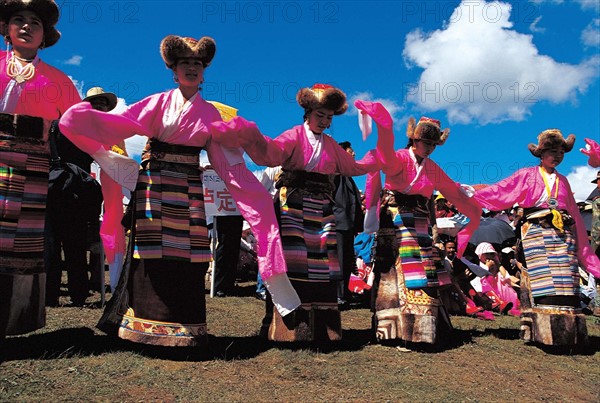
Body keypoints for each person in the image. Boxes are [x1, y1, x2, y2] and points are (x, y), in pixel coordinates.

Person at [59, 34, 300, 347]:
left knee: (189, 253)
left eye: (197, 64)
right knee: (152, 250)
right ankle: (143, 327)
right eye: (185, 63)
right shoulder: (157, 103)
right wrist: (82, 117)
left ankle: (187, 327)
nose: (191, 68)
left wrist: (254, 189)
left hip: (188, 189)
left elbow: (230, 167)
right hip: (154, 185)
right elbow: (117, 125)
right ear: (174, 71)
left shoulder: (212, 115)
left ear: (203, 73)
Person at [210, 84, 385, 342]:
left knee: (322, 266)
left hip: (323, 212)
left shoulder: (332, 146)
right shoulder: (293, 136)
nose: (324, 122)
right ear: (308, 114)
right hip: (294, 207)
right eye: (320, 116)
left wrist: (380, 156)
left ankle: (323, 331)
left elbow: (352, 167)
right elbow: (269, 153)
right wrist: (249, 134)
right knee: (294, 262)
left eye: (328, 117)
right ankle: (287, 330)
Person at [0, 0, 81, 337]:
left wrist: (111, 149)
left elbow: (81, 122)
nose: (26, 26)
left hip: (33, 165)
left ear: (44, 34)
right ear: (6, 28)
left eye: (35, 22)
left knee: (23, 241)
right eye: (18, 19)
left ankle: (15, 319)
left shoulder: (58, 79)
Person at [475, 129, 600, 346]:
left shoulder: (564, 181)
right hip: (537, 236)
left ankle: (568, 334)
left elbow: (574, 214)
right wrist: (468, 195)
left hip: (563, 239)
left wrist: (582, 245)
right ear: (541, 154)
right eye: (552, 151)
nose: (557, 156)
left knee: (567, 282)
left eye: (561, 152)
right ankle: (541, 332)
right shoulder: (527, 175)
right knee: (542, 282)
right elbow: (501, 191)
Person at [366, 112, 481, 345]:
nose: (428, 148)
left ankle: (421, 328)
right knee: (393, 272)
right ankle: (390, 327)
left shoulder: (433, 168)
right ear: (414, 141)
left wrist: (468, 193)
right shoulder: (398, 158)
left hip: (420, 224)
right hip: (395, 219)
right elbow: (380, 160)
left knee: (425, 273)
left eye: (432, 145)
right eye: (425, 143)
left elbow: (451, 189)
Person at [333, 141, 364, 307]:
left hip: (348, 225)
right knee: (338, 261)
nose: (354, 155)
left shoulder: (349, 177)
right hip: (338, 223)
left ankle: (344, 292)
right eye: (351, 152)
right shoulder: (336, 173)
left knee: (346, 261)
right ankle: (337, 295)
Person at [213, 214, 244, 297]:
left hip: (236, 214)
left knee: (234, 248)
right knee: (224, 247)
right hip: (223, 214)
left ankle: (229, 285)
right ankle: (219, 286)